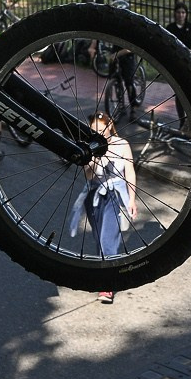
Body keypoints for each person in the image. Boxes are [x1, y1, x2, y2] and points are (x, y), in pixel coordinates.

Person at [69, 111, 136, 303]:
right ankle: (106, 271)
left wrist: (132, 199)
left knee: (108, 238)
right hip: (94, 195)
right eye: (94, 130)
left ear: (110, 126)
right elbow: (89, 176)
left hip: (115, 195)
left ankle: (107, 285)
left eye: (101, 129)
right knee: (99, 237)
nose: (99, 132)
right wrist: (94, 157)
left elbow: (130, 172)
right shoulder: (89, 147)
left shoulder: (122, 145)